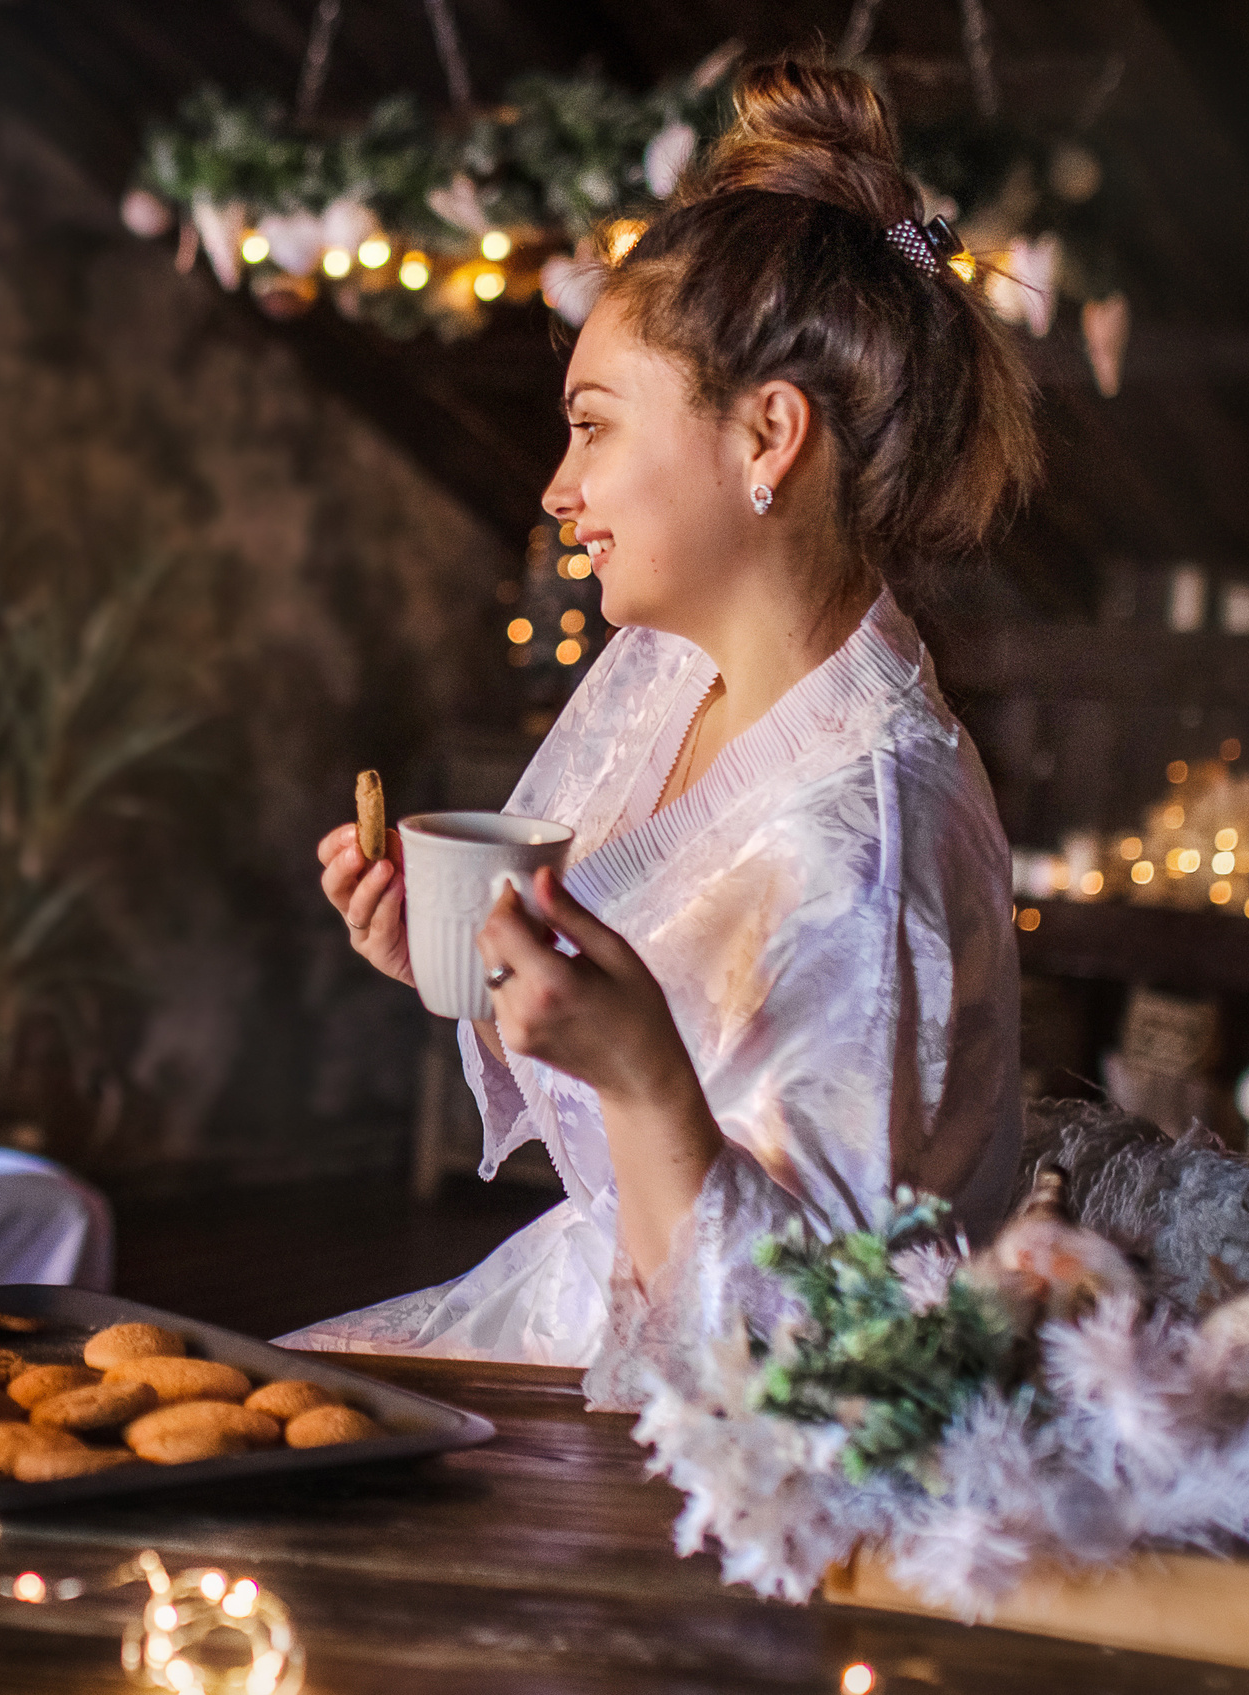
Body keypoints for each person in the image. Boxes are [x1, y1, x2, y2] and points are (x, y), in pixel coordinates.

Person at [286, 60, 1036, 1395]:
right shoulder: (655, 674)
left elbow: (822, 1350)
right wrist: (455, 958)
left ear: (768, 436)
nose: (559, 490)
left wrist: (641, 1083)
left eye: (591, 427)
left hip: (712, 1425)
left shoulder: (871, 829)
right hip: (582, 1298)